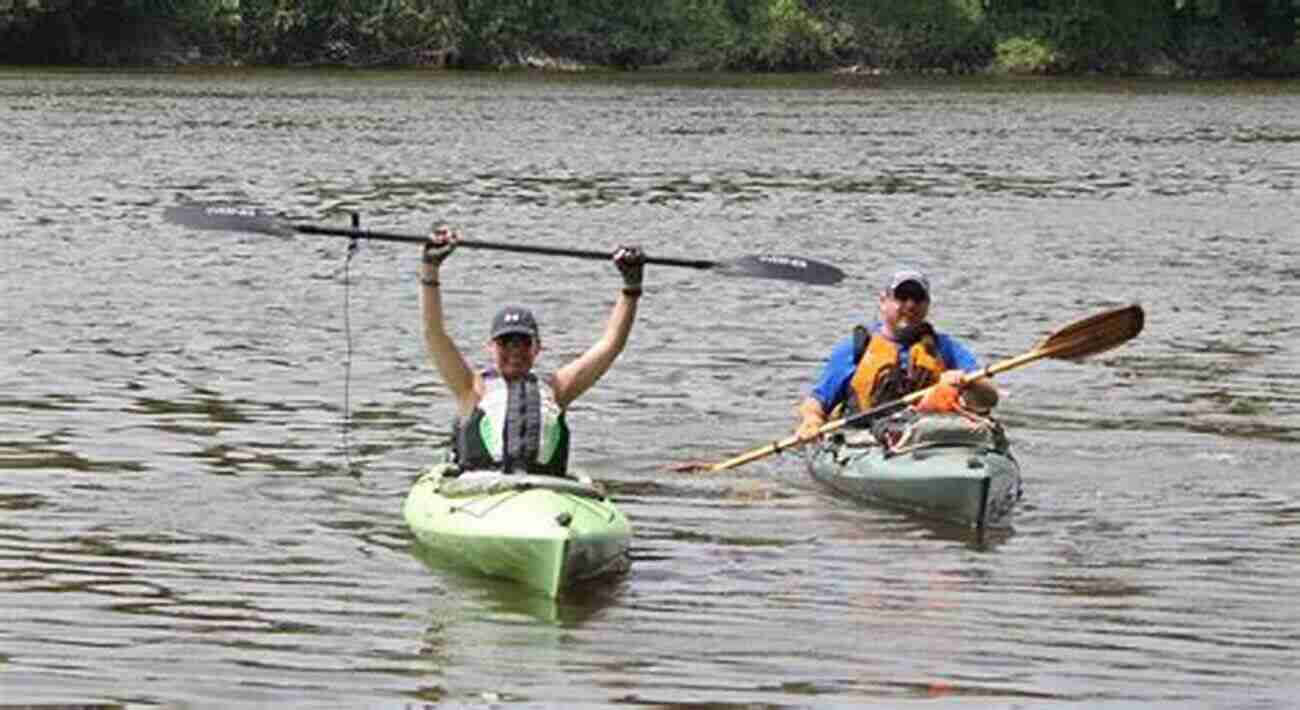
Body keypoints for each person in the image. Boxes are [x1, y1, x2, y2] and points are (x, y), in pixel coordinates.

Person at [419, 226, 645, 475]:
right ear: (491, 347)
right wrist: (431, 267)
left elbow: (610, 345)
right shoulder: (469, 387)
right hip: (479, 488)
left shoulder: (557, 388)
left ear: (538, 348)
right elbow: (435, 333)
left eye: (523, 342)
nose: (515, 350)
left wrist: (631, 286)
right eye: (506, 342)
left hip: (544, 489)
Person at [794, 267, 999, 441]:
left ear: (927, 305)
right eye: (902, 297)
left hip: (929, 438)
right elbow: (817, 402)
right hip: (868, 439)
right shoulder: (855, 349)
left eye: (918, 298)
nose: (910, 305)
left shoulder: (946, 348)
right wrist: (811, 420)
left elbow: (989, 398)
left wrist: (970, 382)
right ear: (883, 301)